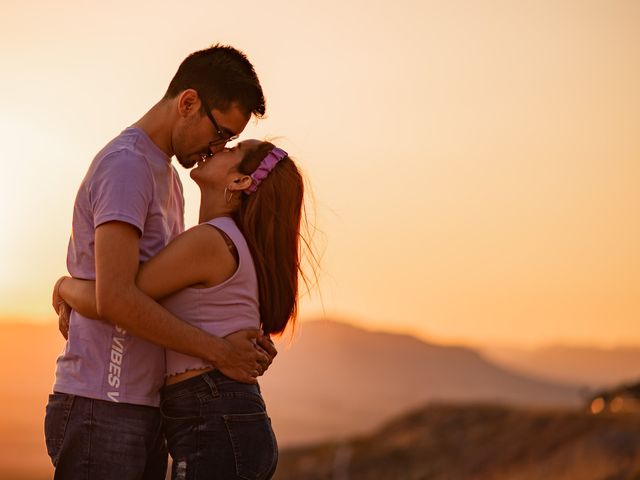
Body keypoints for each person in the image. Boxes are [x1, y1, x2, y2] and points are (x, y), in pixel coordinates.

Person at [45, 45, 277, 479]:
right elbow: (116, 298)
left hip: (142, 405)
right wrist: (220, 352)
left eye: (228, 141)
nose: (219, 148)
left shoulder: (168, 177)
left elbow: (159, 291)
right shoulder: (127, 166)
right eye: (220, 132)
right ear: (188, 103)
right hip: (104, 404)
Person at [56, 139, 305, 479]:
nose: (218, 148)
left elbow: (117, 298)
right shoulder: (232, 240)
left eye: (231, 150)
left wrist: (64, 287)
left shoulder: (210, 241)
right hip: (224, 417)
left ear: (240, 181)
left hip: (216, 418)